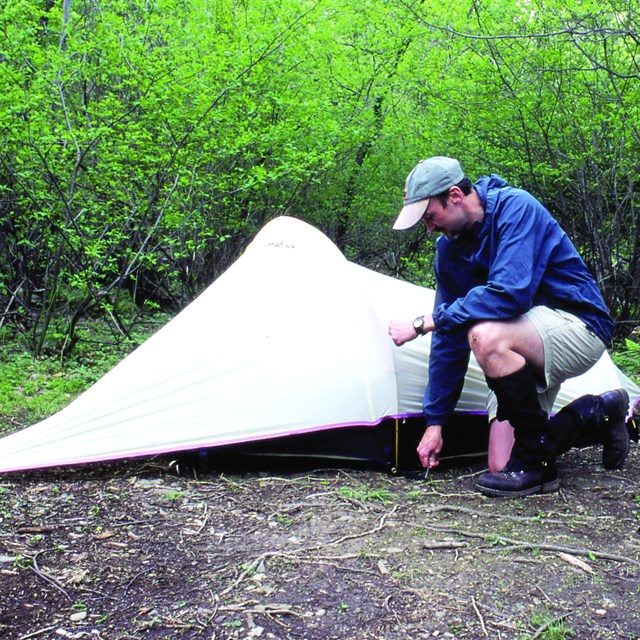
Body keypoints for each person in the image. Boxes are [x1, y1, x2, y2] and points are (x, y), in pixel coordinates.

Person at [388, 156, 632, 498]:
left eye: (430, 216)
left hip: (577, 324)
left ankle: (537, 459)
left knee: (484, 335)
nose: (429, 228)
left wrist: (427, 321)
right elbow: (448, 343)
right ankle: (595, 412)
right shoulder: (449, 251)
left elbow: (510, 294)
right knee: (502, 466)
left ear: (455, 195)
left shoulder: (516, 208)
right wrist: (435, 422)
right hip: (519, 344)